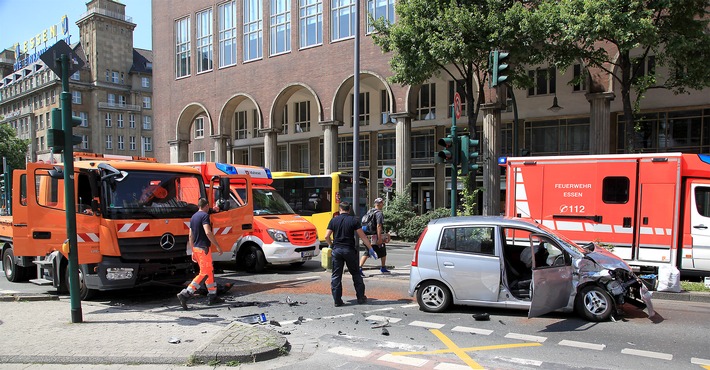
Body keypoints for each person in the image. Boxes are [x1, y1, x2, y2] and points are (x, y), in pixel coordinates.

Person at [324, 201, 377, 307]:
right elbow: (363, 236)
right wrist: (370, 248)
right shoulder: (353, 220)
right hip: (349, 250)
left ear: (340, 210)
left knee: (336, 276)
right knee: (356, 273)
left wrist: (331, 245)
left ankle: (337, 300)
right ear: (349, 210)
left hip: (337, 250)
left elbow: (326, 236)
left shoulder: (333, 220)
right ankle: (361, 297)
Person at [177, 198, 224, 309]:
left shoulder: (193, 217)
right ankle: (186, 293)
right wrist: (217, 245)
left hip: (197, 249)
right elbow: (208, 232)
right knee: (204, 273)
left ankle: (212, 295)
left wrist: (193, 250)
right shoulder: (204, 216)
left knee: (209, 271)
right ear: (206, 206)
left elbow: (190, 236)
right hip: (204, 249)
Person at [359, 197, 390, 275]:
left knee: (370, 251)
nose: (383, 204)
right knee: (380, 251)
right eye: (382, 203)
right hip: (375, 236)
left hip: (367, 235)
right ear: (379, 204)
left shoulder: (370, 211)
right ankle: (382, 268)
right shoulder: (379, 213)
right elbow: (379, 226)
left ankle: (360, 268)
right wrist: (379, 238)